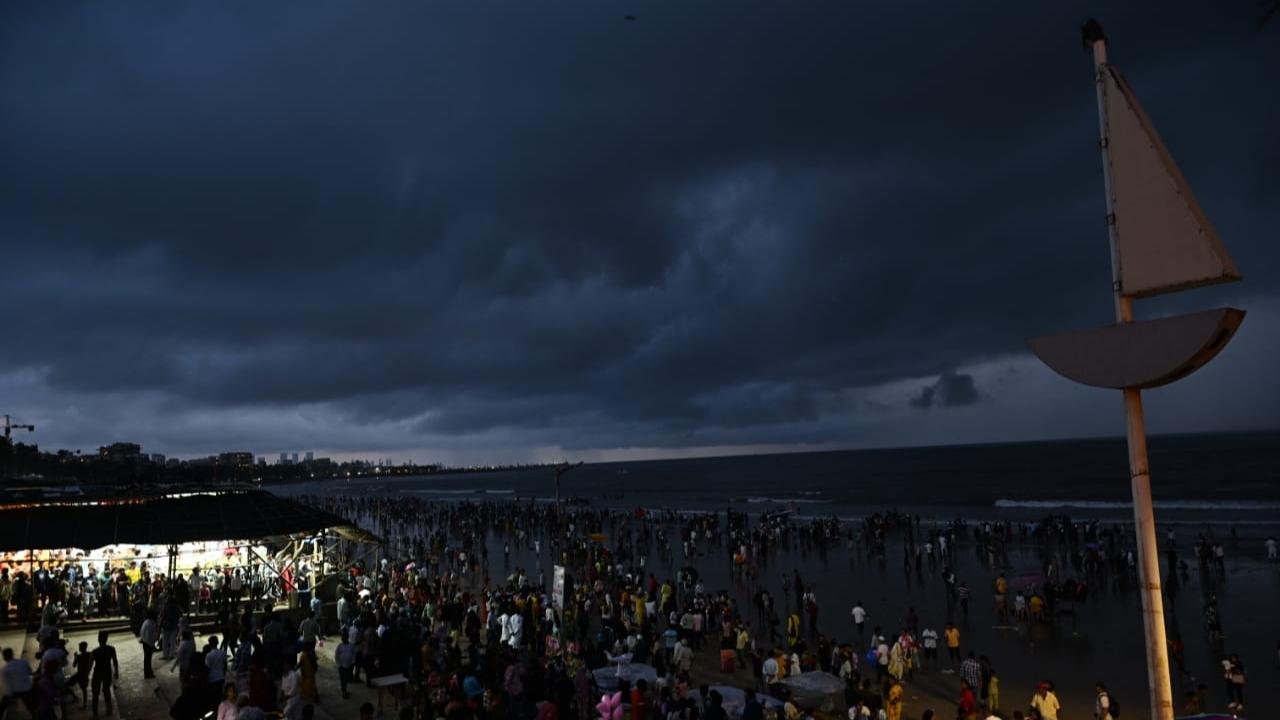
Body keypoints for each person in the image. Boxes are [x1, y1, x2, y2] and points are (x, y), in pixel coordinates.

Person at [89, 631, 118, 718]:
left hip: (97, 672)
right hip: (107, 672)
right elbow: (115, 661)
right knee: (106, 691)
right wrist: (116, 671)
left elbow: (90, 665)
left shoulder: (94, 651)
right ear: (106, 639)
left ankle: (95, 713)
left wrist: (86, 675)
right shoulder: (111, 649)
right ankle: (109, 710)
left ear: (98, 640)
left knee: (95, 694)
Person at [1, 648, 34, 720]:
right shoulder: (23, 662)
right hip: (27, 688)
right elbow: (30, 673)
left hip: (14, 691)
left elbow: (6, 686)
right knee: (31, 706)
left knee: (2, 707)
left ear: (4, 657)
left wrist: (8, 696)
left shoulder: (4, 669)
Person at [139, 610, 160, 679]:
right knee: (148, 659)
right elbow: (150, 636)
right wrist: (152, 645)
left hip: (145, 643)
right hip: (148, 643)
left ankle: (147, 673)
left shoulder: (146, 622)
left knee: (147, 659)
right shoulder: (150, 624)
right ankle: (148, 674)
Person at [335, 634, 356, 699]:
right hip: (341, 666)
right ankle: (344, 692)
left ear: (347, 638)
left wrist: (352, 663)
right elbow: (336, 655)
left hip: (348, 665)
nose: (343, 639)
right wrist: (339, 664)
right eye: (342, 637)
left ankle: (344, 690)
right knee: (343, 679)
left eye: (344, 637)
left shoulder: (351, 646)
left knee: (346, 679)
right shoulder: (339, 646)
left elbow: (353, 655)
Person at [73, 641, 93, 709]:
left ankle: (84, 704)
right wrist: (89, 669)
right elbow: (92, 662)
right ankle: (84, 703)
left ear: (80, 648)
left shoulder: (78, 657)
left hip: (80, 674)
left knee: (83, 689)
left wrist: (75, 657)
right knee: (84, 689)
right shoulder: (89, 654)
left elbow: (74, 665)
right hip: (85, 674)